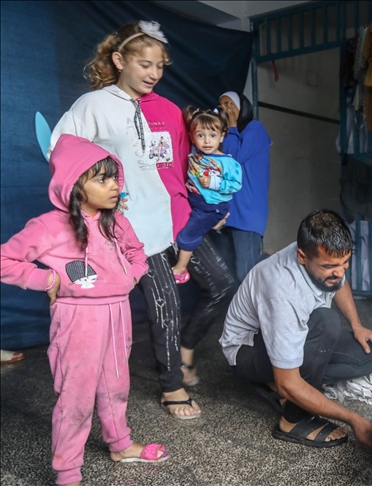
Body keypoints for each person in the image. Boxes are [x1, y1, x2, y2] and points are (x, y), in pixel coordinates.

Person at [49, 21, 235, 420]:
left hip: (174, 219)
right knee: (164, 304)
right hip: (133, 227)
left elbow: (185, 165)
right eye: (144, 64)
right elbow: (59, 150)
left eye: (160, 66)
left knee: (221, 284)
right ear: (120, 61)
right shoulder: (93, 105)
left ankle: (184, 353)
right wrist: (96, 197)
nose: (153, 74)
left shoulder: (164, 110)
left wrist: (211, 204)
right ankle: (172, 386)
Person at [0, 135, 169, 486]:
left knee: (117, 385)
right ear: (74, 185)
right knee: (75, 396)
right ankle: (68, 472)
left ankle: (120, 445)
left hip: (117, 313)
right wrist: (44, 280)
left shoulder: (116, 221)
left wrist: (131, 275)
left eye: (114, 178)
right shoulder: (48, 226)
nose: (114, 186)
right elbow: (5, 259)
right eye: (102, 179)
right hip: (78, 319)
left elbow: (138, 254)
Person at [220, 209, 372, 450]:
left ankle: (291, 384)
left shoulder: (320, 258)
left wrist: (357, 326)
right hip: (247, 351)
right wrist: (353, 419)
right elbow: (319, 309)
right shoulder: (283, 292)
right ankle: (292, 419)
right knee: (326, 322)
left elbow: (338, 281)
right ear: (301, 256)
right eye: (330, 266)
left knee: (369, 355)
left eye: (344, 263)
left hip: (300, 330)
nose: (339, 272)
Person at [171, 108, 242, 283]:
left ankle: (180, 270)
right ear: (193, 136)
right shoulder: (197, 152)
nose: (207, 141)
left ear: (222, 136)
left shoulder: (228, 162)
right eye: (201, 135)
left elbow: (236, 184)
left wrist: (213, 182)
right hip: (196, 202)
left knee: (187, 236)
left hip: (211, 207)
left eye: (212, 135)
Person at [217, 91, 272, 282]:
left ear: (243, 108)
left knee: (246, 274)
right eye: (221, 106)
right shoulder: (223, 137)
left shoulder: (255, 129)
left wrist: (232, 126)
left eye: (230, 104)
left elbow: (233, 158)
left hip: (248, 215)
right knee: (232, 274)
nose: (225, 109)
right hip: (229, 214)